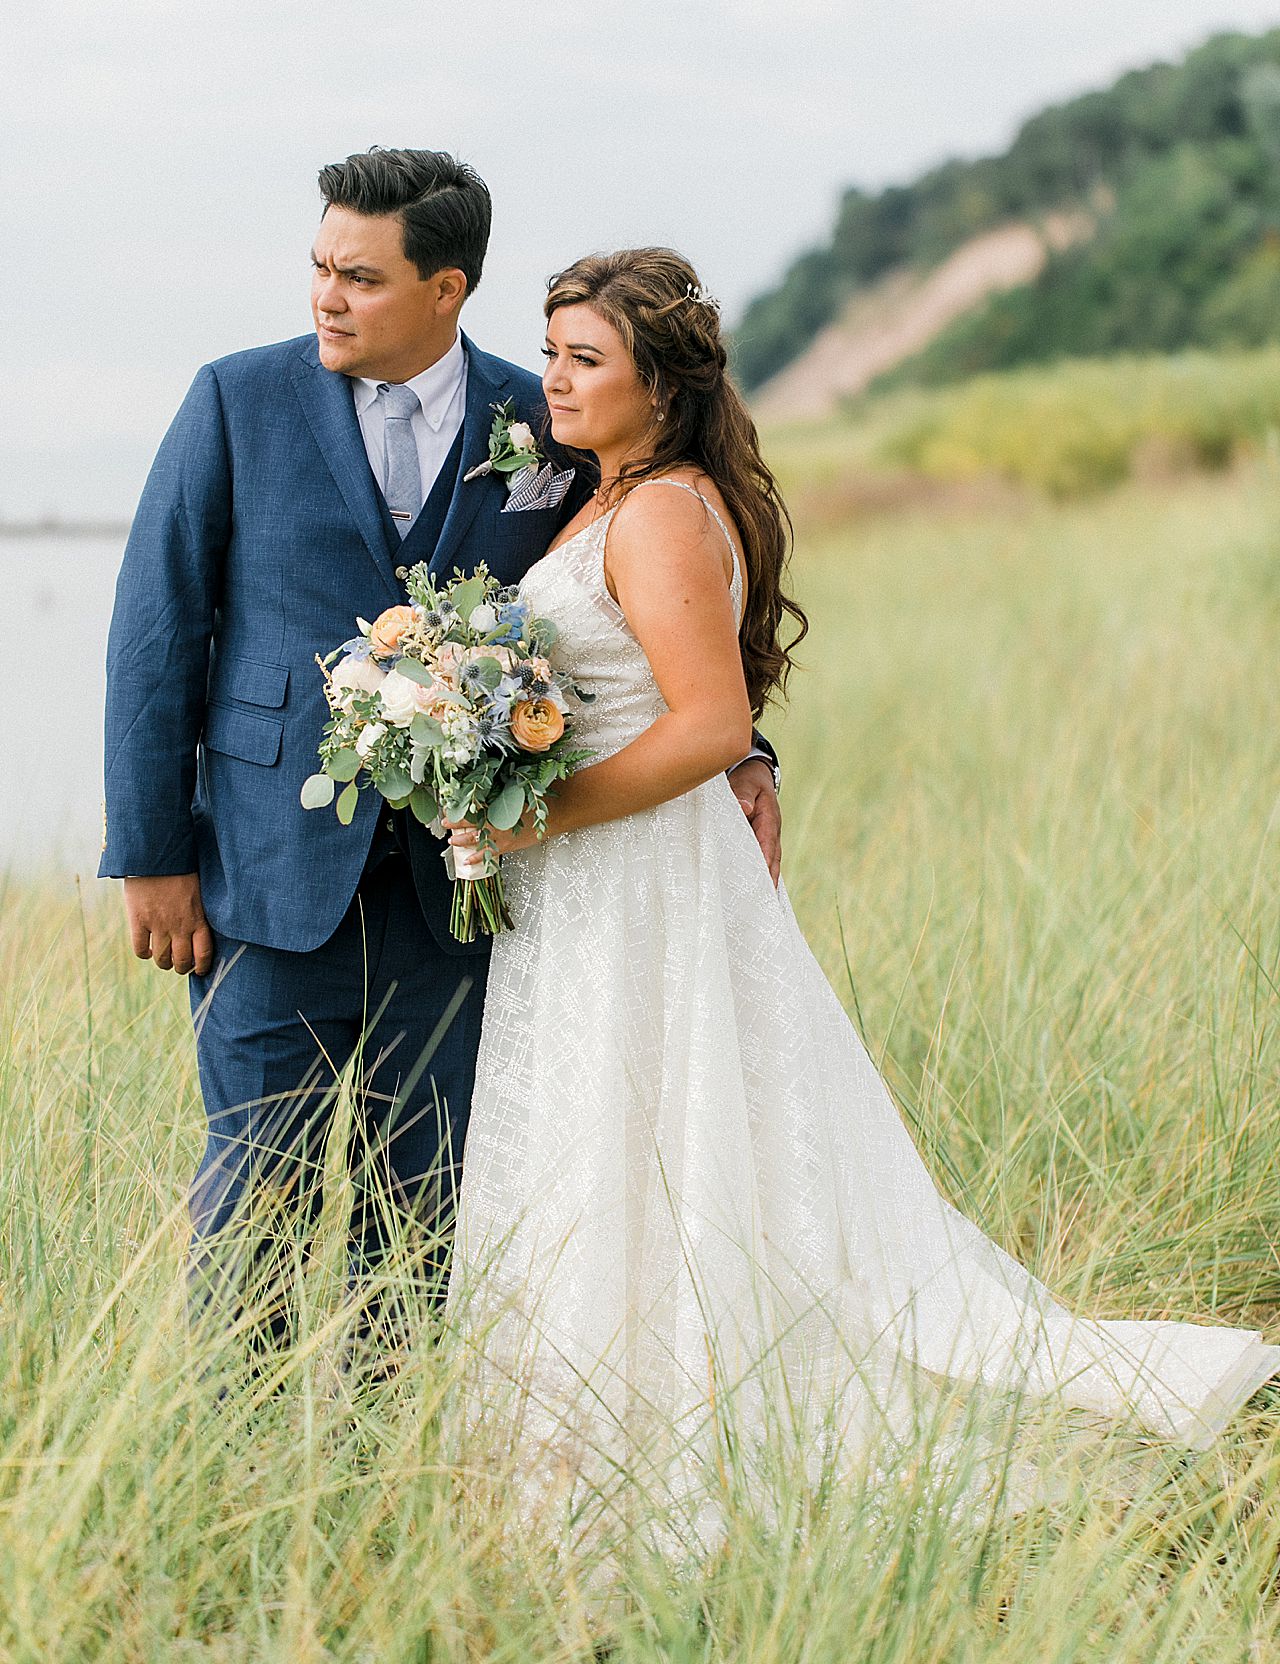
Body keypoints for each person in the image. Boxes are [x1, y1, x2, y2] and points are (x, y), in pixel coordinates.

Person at [444, 246, 1280, 1531]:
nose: (550, 380)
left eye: (582, 359)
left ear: (657, 386)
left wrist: (531, 820)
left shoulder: (659, 510)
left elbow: (712, 723)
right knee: (625, 1143)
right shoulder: (608, 493)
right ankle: (594, 1450)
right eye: (549, 352)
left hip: (636, 874)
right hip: (611, 881)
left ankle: (673, 1462)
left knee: (668, 1138)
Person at [98, 153, 782, 1356]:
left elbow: (641, 611)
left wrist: (743, 751)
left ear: (445, 289)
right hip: (265, 873)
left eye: (358, 277)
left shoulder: (552, 417)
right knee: (254, 1185)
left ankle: (380, 1458)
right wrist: (150, 854)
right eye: (318, 268)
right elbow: (157, 633)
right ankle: (240, 1464)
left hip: (468, 890)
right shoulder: (234, 399)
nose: (324, 296)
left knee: (430, 1202)